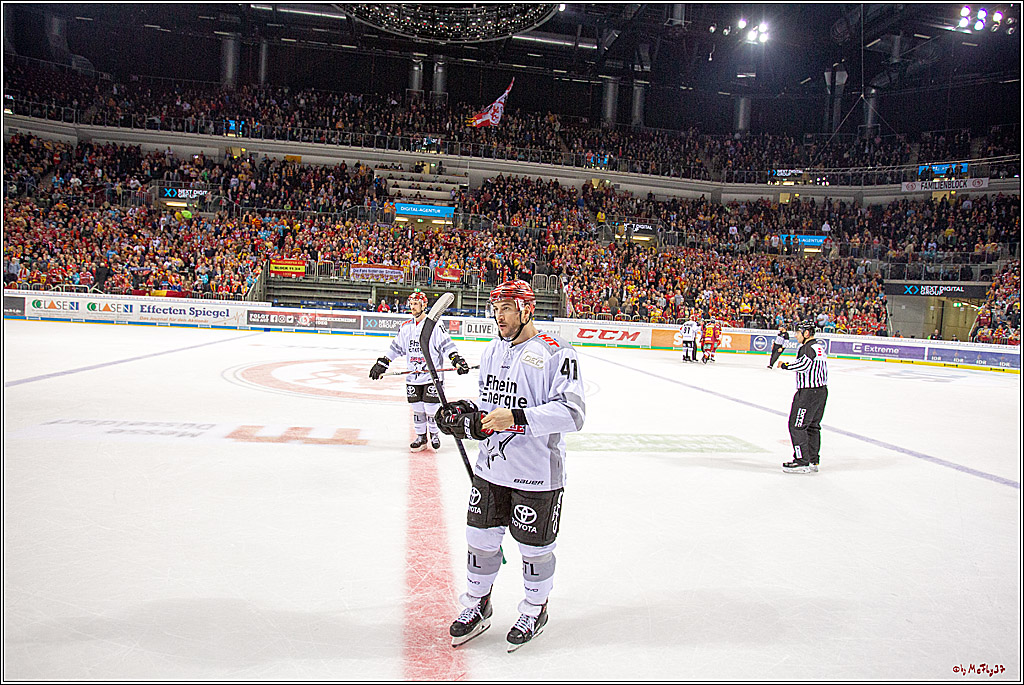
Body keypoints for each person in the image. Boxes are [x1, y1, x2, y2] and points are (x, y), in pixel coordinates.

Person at [435, 280, 585, 652]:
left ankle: (535, 608)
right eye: (495, 307)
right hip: (491, 468)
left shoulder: (556, 354)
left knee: (534, 549)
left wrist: (515, 419)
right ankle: (477, 604)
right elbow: (491, 407)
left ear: (527, 309)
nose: (498, 316)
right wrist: (466, 416)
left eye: (506, 308)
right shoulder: (491, 351)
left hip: (536, 473)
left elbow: (573, 413)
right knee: (480, 539)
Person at [368, 291, 470, 451]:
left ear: (424, 305)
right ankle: (421, 437)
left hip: (431, 376)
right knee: (417, 408)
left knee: (431, 409)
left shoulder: (434, 326)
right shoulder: (406, 327)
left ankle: (434, 434)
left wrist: (456, 359)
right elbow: (396, 348)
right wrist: (384, 362)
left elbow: (446, 345)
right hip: (413, 376)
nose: (412, 306)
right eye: (411, 303)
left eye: (416, 303)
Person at [776, 320, 828, 473]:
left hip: (808, 394)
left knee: (797, 425)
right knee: (813, 426)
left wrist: (785, 365)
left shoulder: (807, 348)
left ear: (806, 333)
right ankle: (813, 460)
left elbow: (803, 365)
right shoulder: (818, 347)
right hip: (821, 392)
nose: (796, 335)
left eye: (798, 332)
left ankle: (801, 461)